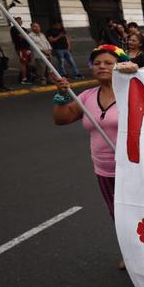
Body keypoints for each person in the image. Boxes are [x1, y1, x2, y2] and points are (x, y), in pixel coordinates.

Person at [53, 44, 128, 268]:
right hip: (104, 170)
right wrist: (61, 95)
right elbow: (62, 119)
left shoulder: (131, 93)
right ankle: (130, 253)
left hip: (132, 168)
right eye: (97, 63)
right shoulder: (86, 97)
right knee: (118, 215)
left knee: (138, 213)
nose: (102, 67)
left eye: (108, 63)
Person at [10, 17, 33, 84]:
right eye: (18, 21)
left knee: (27, 63)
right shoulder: (14, 29)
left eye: (20, 20)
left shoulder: (23, 28)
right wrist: (27, 35)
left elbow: (30, 35)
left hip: (27, 48)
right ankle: (24, 79)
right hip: (21, 48)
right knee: (23, 63)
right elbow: (22, 36)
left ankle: (26, 76)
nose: (20, 22)